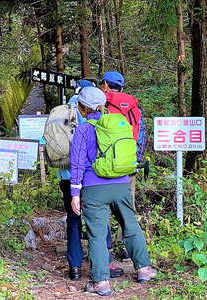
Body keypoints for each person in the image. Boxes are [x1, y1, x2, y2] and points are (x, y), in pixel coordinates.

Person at [70, 86, 156, 296]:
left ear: (83, 107)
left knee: (97, 234)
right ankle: (144, 269)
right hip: (121, 184)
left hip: (94, 188)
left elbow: (77, 162)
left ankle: (101, 283)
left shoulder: (83, 130)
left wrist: (75, 192)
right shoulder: (119, 124)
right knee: (130, 223)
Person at [59, 79, 124, 280]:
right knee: (99, 219)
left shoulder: (62, 111)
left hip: (66, 175)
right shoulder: (93, 110)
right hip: (90, 176)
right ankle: (104, 265)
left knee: (73, 220)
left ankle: (75, 267)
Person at [100, 71, 147, 261]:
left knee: (101, 206)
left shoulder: (101, 104)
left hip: (104, 165)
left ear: (105, 84)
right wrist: (136, 159)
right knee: (127, 207)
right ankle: (128, 249)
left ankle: (106, 249)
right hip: (129, 164)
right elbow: (142, 134)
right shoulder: (134, 106)